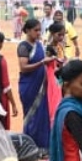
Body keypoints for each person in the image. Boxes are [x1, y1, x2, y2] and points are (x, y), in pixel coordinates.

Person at [18, 18, 59, 151]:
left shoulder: (40, 44)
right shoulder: (23, 47)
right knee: (31, 115)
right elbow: (24, 67)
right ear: (28, 31)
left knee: (42, 116)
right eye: (35, 30)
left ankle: (43, 146)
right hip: (29, 86)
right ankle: (29, 145)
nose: (38, 33)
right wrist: (42, 63)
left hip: (42, 86)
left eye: (39, 30)